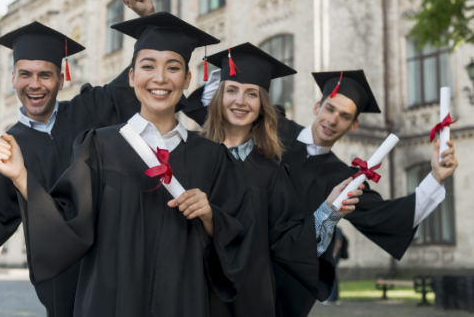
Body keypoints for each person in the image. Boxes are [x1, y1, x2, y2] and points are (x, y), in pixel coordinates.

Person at [0, 12, 256, 317]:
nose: (159, 78)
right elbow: (65, 227)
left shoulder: (212, 158)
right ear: (131, 77)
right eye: (147, 66)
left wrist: (211, 218)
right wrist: (21, 176)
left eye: (173, 67)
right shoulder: (98, 147)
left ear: (186, 79)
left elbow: (242, 244)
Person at [183, 69, 459, 317]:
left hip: (279, 283)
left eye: (345, 116)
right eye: (329, 108)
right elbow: (215, 111)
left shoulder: (342, 179)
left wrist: (435, 178)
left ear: (353, 126)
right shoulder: (273, 129)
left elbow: (391, 218)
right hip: (221, 258)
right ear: (317, 107)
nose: (332, 120)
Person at [0, 21, 145, 316]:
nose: (35, 84)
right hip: (62, 280)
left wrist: (147, 27)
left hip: (117, 265)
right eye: (25, 74)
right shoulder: (4, 150)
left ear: (61, 78)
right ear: (13, 78)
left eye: (45, 75)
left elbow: (143, 81)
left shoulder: (91, 109)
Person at [197, 43, 364, 317]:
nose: (240, 101)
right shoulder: (189, 156)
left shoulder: (272, 173)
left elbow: (291, 245)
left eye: (252, 94)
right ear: (219, 97)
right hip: (191, 295)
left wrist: (330, 210)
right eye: (232, 90)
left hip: (248, 301)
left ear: (262, 106)